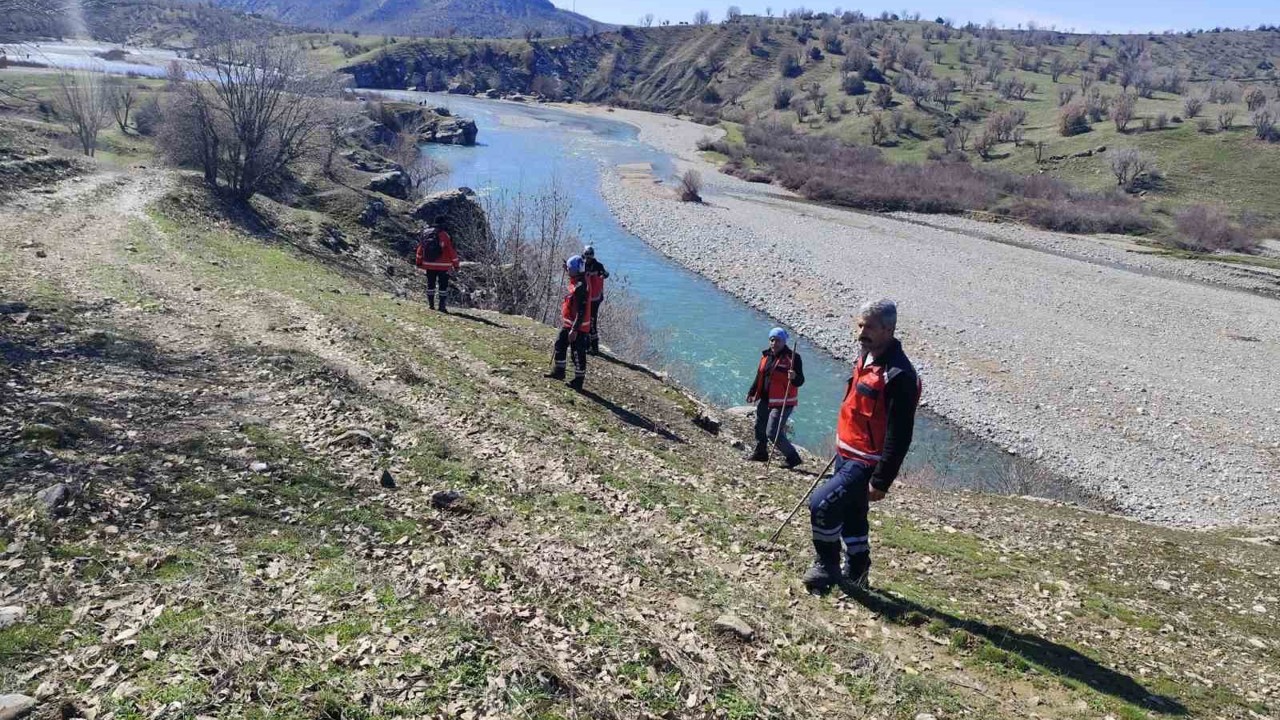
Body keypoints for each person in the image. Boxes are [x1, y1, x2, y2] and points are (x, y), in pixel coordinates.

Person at [804, 300, 921, 594]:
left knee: (822, 504)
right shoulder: (866, 354)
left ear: (888, 329)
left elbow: (900, 433)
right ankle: (857, 572)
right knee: (853, 516)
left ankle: (825, 564)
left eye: (868, 327)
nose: (861, 332)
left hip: (866, 461)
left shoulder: (899, 375)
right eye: (859, 325)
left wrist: (881, 480)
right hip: (846, 452)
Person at [745, 328, 805, 469]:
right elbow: (760, 375)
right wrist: (752, 391)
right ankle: (761, 453)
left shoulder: (793, 358)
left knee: (773, 432)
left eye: (778, 340)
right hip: (766, 398)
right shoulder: (766, 356)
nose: (774, 343)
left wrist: (794, 377)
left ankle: (793, 458)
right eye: (772, 340)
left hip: (783, 401)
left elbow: (800, 381)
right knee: (759, 426)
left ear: (784, 341)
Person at [546, 255, 593, 390]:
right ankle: (559, 372)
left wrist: (575, 329)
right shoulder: (578, 279)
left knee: (577, 353)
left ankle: (578, 382)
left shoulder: (581, 287)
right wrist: (567, 268)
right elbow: (573, 277)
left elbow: (582, 311)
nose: (568, 270)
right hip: (569, 324)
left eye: (569, 268)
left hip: (578, 327)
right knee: (560, 344)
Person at [415, 215, 459, 313]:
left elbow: (420, 249)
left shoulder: (425, 233)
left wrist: (418, 261)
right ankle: (442, 306)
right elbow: (451, 251)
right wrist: (456, 264)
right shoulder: (445, 235)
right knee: (443, 286)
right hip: (443, 266)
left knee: (430, 284)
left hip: (428, 264)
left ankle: (431, 305)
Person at [582, 245, 610, 355]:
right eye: (586, 256)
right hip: (585, 296)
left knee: (592, 321)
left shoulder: (598, 266)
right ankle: (586, 344)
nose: (587, 258)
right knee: (584, 320)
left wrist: (596, 274)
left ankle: (594, 347)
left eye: (589, 256)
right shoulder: (582, 263)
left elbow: (606, 274)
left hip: (595, 299)